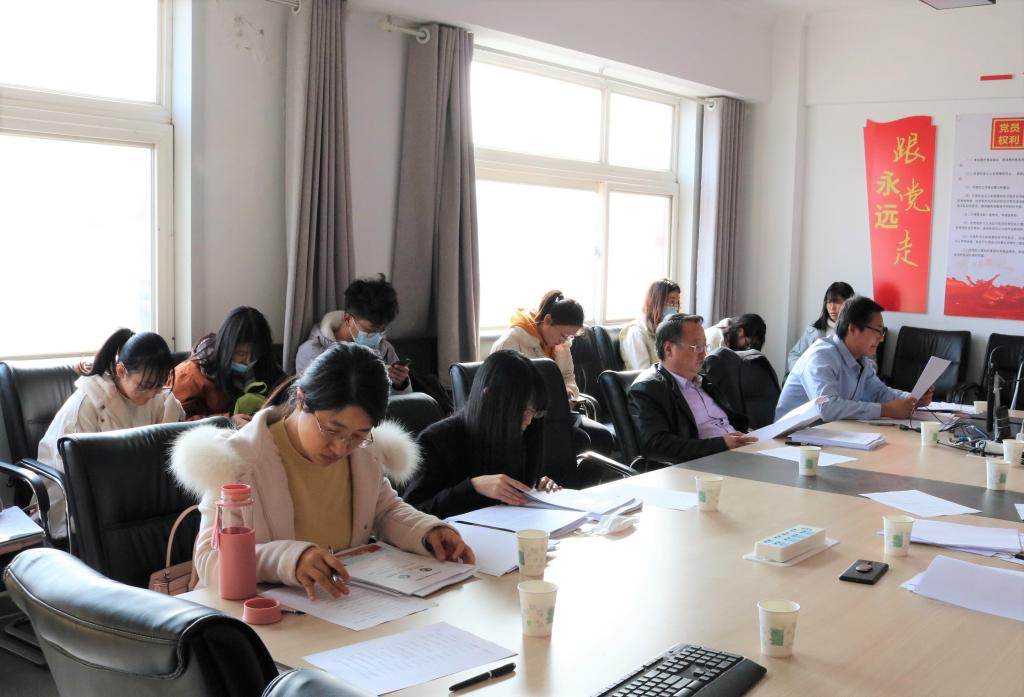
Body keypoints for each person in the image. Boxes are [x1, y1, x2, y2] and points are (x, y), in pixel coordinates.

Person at [171, 342, 474, 601]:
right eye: (332, 429)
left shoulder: (363, 454)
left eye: (358, 435)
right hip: (261, 617)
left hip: (339, 610)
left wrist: (428, 531)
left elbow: (384, 510)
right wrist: (289, 560)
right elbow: (210, 561)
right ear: (301, 400)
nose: (341, 447)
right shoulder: (239, 461)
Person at [37, 329, 184, 538]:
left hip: (133, 495)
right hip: (78, 502)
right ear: (121, 370)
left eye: (159, 385)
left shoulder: (159, 398)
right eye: (145, 386)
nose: (153, 394)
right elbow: (77, 475)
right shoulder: (85, 407)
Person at [404, 351, 558, 519]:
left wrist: (535, 486)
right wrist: (473, 487)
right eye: (521, 410)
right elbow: (411, 513)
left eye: (534, 412)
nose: (529, 421)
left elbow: (518, 489)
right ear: (489, 397)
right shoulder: (436, 440)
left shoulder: (528, 430)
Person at [491, 290, 614, 454]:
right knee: (580, 440)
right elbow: (503, 392)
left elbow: (568, 376)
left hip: (557, 413)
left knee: (603, 438)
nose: (564, 340)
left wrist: (569, 392)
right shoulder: (511, 342)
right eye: (563, 335)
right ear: (548, 320)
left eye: (569, 337)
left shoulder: (561, 344)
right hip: (525, 418)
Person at [775, 296, 933, 422]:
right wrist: (885, 410)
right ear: (853, 329)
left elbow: (879, 393)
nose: (881, 338)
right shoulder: (821, 356)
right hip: (790, 440)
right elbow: (827, 407)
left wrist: (913, 399)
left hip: (828, 434)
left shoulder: (861, 361)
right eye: (878, 331)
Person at [628, 314, 756, 463]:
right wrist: (722, 444)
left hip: (739, 454)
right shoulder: (647, 389)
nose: (704, 354)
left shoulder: (705, 381)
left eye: (705, 346)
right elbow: (656, 445)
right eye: (696, 347)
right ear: (668, 349)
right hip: (703, 465)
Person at [295, 274, 411, 394]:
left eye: (382, 330)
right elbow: (308, 400)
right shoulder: (312, 352)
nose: (377, 336)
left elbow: (407, 400)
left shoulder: (384, 349)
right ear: (347, 319)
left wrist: (400, 384)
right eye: (371, 329)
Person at [173, 306, 285, 427]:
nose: (248, 361)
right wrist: (227, 421)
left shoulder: (263, 364)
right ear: (225, 348)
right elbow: (174, 422)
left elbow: (287, 389)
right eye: (241, 353)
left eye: (255, 353)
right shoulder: (189, 375)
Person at [787, 282, 855, 372]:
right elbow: (794, 355)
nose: (832, 307)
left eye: (837, 302)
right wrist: (806, 373)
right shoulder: (814, 329)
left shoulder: (859, 331)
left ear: (850, 303)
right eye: (829, 302)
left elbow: (868, 364)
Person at [619, 279, 682, 370]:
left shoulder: (667, 330)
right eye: (671, 302)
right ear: (656, 302)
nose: (675, 308)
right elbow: (644, 373)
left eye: (677, 303)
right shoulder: (636, 332)